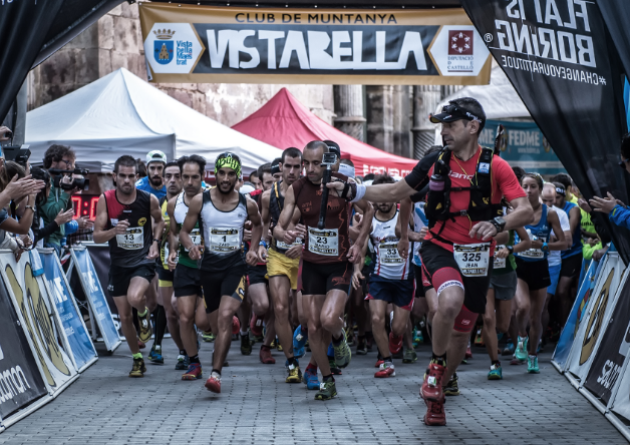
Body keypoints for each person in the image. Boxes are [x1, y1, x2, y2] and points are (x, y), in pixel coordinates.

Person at [327, 98, 532, 425]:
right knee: (448, 302)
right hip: (441, 246)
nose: (443, 132)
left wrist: (497, 225)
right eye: (442, 125)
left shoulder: (496, 166)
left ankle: (436, 392)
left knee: (462, 333)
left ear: (473, 127)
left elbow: (525, 209)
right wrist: (354, 190)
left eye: (450, 125)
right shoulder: (435, 161)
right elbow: (397, 191)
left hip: (479, 255)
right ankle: (435, 367)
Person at [274, 140, 374, 401]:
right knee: (313, 326)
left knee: (329, 320)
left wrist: (360, 244)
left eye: (316, 163)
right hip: (311, 266)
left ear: (329, 162)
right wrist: (285, 234)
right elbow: (279, 225)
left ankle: (340, 339)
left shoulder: (343, 184)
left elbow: (369, 209)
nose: (309, 169)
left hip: (339, 263)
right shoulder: (296, 189)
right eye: (306, 163)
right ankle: (327, 380)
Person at [180, 152, 263, 394]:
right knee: (207, 323)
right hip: (209, 268)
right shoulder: (200, 201)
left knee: (225, 316)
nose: (226, 178)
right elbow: (184, 231)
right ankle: (230, 326)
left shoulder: (247, 203)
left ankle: (215, 374)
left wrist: (254, 248)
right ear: (214, 174)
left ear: (238, 177)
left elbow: (258, 225)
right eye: (222, 173)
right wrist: (191, 246)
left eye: (231, 174)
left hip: (234, 266)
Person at [93, 155, 164, 377]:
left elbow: (160, 221)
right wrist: (114, 231)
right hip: (118, 264)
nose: (126, 180)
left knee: (135, 298)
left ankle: (143, 315)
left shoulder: (148, 199)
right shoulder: (106, 199)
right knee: (124, 316)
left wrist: (155, 243)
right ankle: (137, 359)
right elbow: (96, 236)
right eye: (122, 176)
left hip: (142, 260)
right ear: (115, 177)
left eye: (130, 176)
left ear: (137, 177)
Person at [356, 174, 413, 379]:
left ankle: (395, 336)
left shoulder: (404, 215)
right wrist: (356, 269)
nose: (383, 201)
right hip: (379, 276)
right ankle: (386, 362)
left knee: (398, 327)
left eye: (387, 196)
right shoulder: (369, 218)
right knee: (376, 317)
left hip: (404, 279)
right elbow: (361, 247)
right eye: (378, 197)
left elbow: (409, 197)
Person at [512, 174, 565, 373]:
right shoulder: (516, 211)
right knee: (523, 307)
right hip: (520, 266)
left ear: (540, 189)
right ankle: (521, 337)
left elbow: (564, 243)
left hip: (540, 267)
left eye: (532, 186)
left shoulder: (549, 213)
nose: (528, 190)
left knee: (536, 317)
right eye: (524, 186)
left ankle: (533, 356)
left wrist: (544, 245)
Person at [260, 147, 304, 383]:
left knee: (301, 316)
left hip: (305, 258)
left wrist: (304, 242)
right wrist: (260, 243)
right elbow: (264, 224)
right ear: (280, 167)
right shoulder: (268, 196)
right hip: (278, 256)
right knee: (280, 308)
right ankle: (291, 363)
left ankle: (303, 344)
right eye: (288, 166)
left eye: (297, 167)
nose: (292, 171)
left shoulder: (311, 193)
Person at [167, 155, 212, 379]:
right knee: (184, 316)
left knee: (203, 321)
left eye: (195, 177)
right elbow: (174, 234)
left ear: (203, 177)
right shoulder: (173, 204)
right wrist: (173, 251)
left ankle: (218, 324)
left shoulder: (213, 200)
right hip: (186, 265)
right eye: (186, 177)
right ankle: (194, 363)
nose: (190, 182)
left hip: (210, 266)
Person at [149, 161, 185, 366]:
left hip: (187, 265)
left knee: (183, 310)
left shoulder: (191, 203)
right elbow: (153, 233)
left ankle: (190, 344)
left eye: (176, 176)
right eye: (168, 176)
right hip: (165, 265)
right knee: (168, 311)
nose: (172, 180)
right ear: (162, 180)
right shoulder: (158, 203)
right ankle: (181, 350)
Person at [40, 144, 90, 253]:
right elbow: (53, 214)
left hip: (57, 242)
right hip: (48, 243)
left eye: (72, 164)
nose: (70, 168)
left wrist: (69, 192)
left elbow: (65, 218)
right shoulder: (45, 182)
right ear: (54, 161)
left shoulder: (58, 182)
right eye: (67, 163)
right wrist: (66, 193)